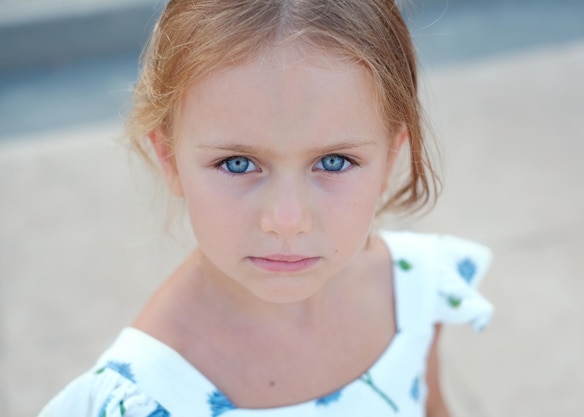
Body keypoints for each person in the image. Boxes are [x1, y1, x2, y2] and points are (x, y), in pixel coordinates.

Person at [39, 1, 493, 416]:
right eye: (237, 164)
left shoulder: (411, 292)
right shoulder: (141, 400)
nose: (287, 219)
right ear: (170, 159)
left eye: (334, 162)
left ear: (390, 158)